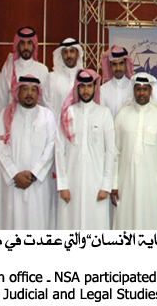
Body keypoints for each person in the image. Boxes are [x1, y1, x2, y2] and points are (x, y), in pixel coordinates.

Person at [0, 75, 57, 230]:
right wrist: (14, 174)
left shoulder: (47, 116)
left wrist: (34, 174)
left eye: (33, 90)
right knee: (12, 223)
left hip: (38, 184)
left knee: (38, 223)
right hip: (13, 184)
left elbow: (51, 147)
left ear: (38, 93)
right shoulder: (6, 115)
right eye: (25, 89)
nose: (29, 93)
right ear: (18, 92)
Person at [55, 70, 115, 230]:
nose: (86, 90)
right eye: (82, 86)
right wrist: (63, 185)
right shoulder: (68, 113)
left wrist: (106, 185)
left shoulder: (104, 114)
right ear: (77, 87)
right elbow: (59, 151)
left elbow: (110, 152)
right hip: (71, 184)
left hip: (96, 185)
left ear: (95, 87)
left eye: (89, 86)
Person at [112, 74, 157, 230]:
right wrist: (114, 183)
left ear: (151, 90)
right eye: (138, 89)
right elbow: (115, 153)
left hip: (153, 187)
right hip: (126, 184)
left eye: (145, 89)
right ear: (133, 90)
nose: (141, 93)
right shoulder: (122, 115)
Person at [0, 27, 49, 112]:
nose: (26, 47)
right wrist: (1, 118)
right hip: (12, 118)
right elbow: (1, 99)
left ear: (34, 46)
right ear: (18, 45)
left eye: (29, 43)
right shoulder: (9, 68)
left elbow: (44, 102)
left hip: (36, 118)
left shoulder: (42, 69)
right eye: (22, 43)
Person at [46, 38, 84, 118]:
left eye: (72, 51)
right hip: (57, 124)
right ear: (61, 55)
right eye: (65, 52)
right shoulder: (51, 78)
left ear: (77, 54)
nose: (69, 55)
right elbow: (47, 105)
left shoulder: (84, 77)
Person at [99, 45, 135, 118]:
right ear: (110, 66)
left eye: (121, 63)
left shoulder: (133, 87)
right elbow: (101, 117)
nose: (118, 68)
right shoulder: (103, 90)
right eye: (114, 64)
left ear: (126, 64)